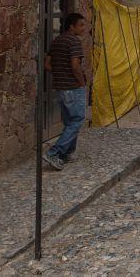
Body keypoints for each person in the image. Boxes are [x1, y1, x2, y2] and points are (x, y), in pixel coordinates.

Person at [43, 12, 90, 171]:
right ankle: (54, 152)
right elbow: (75, 65)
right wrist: (81, 83)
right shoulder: (74, 42)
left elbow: (47, 64)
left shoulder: (56, 41)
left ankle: (67, 153)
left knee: (70, 121)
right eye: (81, 25)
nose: (84, 28)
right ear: (72, 26)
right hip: (73, 87)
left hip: (61, 88)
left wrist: (60, 74)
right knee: (77, 120)